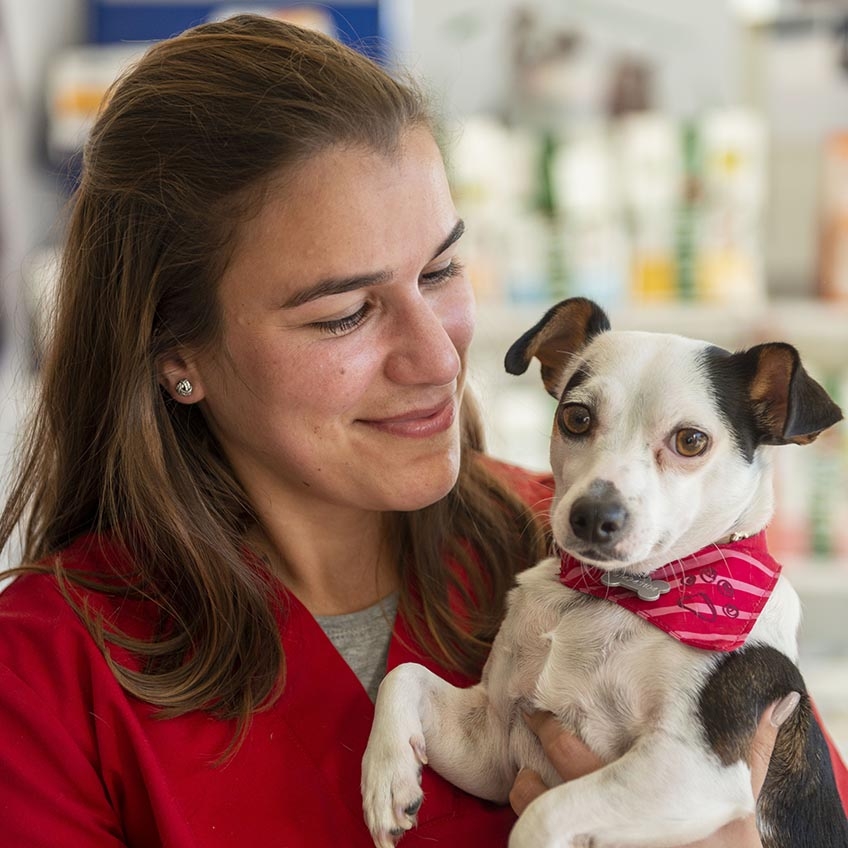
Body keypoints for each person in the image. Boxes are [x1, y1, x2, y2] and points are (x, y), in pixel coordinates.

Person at [0, 14, 844, 848]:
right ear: (174, 352)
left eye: (441, 270)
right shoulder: (43, 677)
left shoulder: (620, 558)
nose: (440, 358)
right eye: (344, 314)